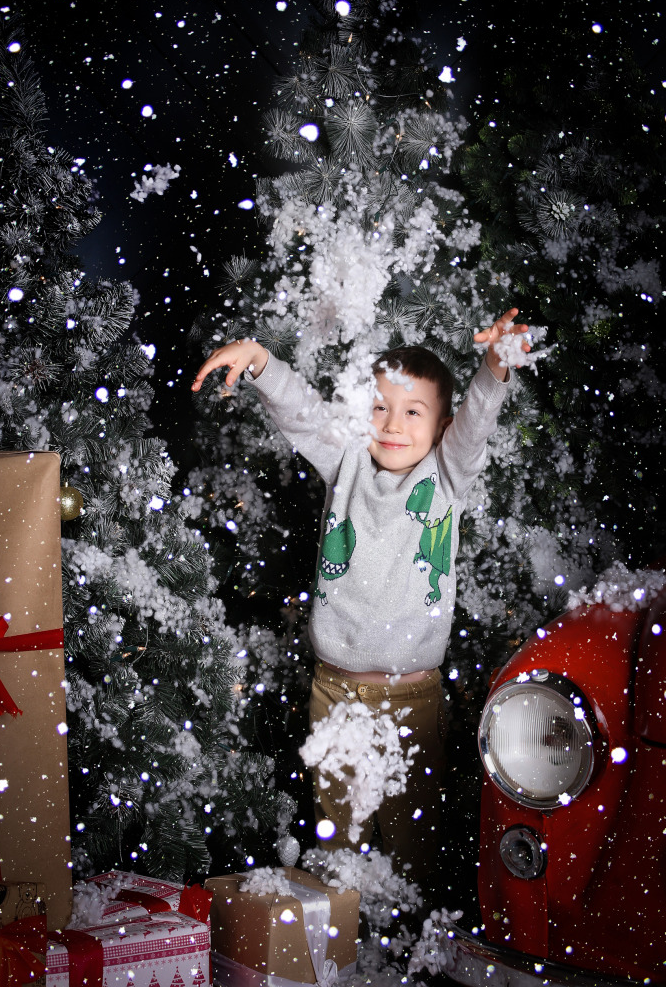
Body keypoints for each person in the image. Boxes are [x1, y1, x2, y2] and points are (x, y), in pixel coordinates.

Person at [192, 309, 530, 889]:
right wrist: (261, 362)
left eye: (413, 412)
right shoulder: (346, 460)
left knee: (411, 849)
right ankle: (342, 951)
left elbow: (476, 423)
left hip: (413, 700)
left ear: (441, 426)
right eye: (380, 408)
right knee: (338, 844)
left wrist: (496, 364)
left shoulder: (446, 475)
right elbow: (303, 416)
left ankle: (404, 956)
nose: (393, 425)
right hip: (336, 692)